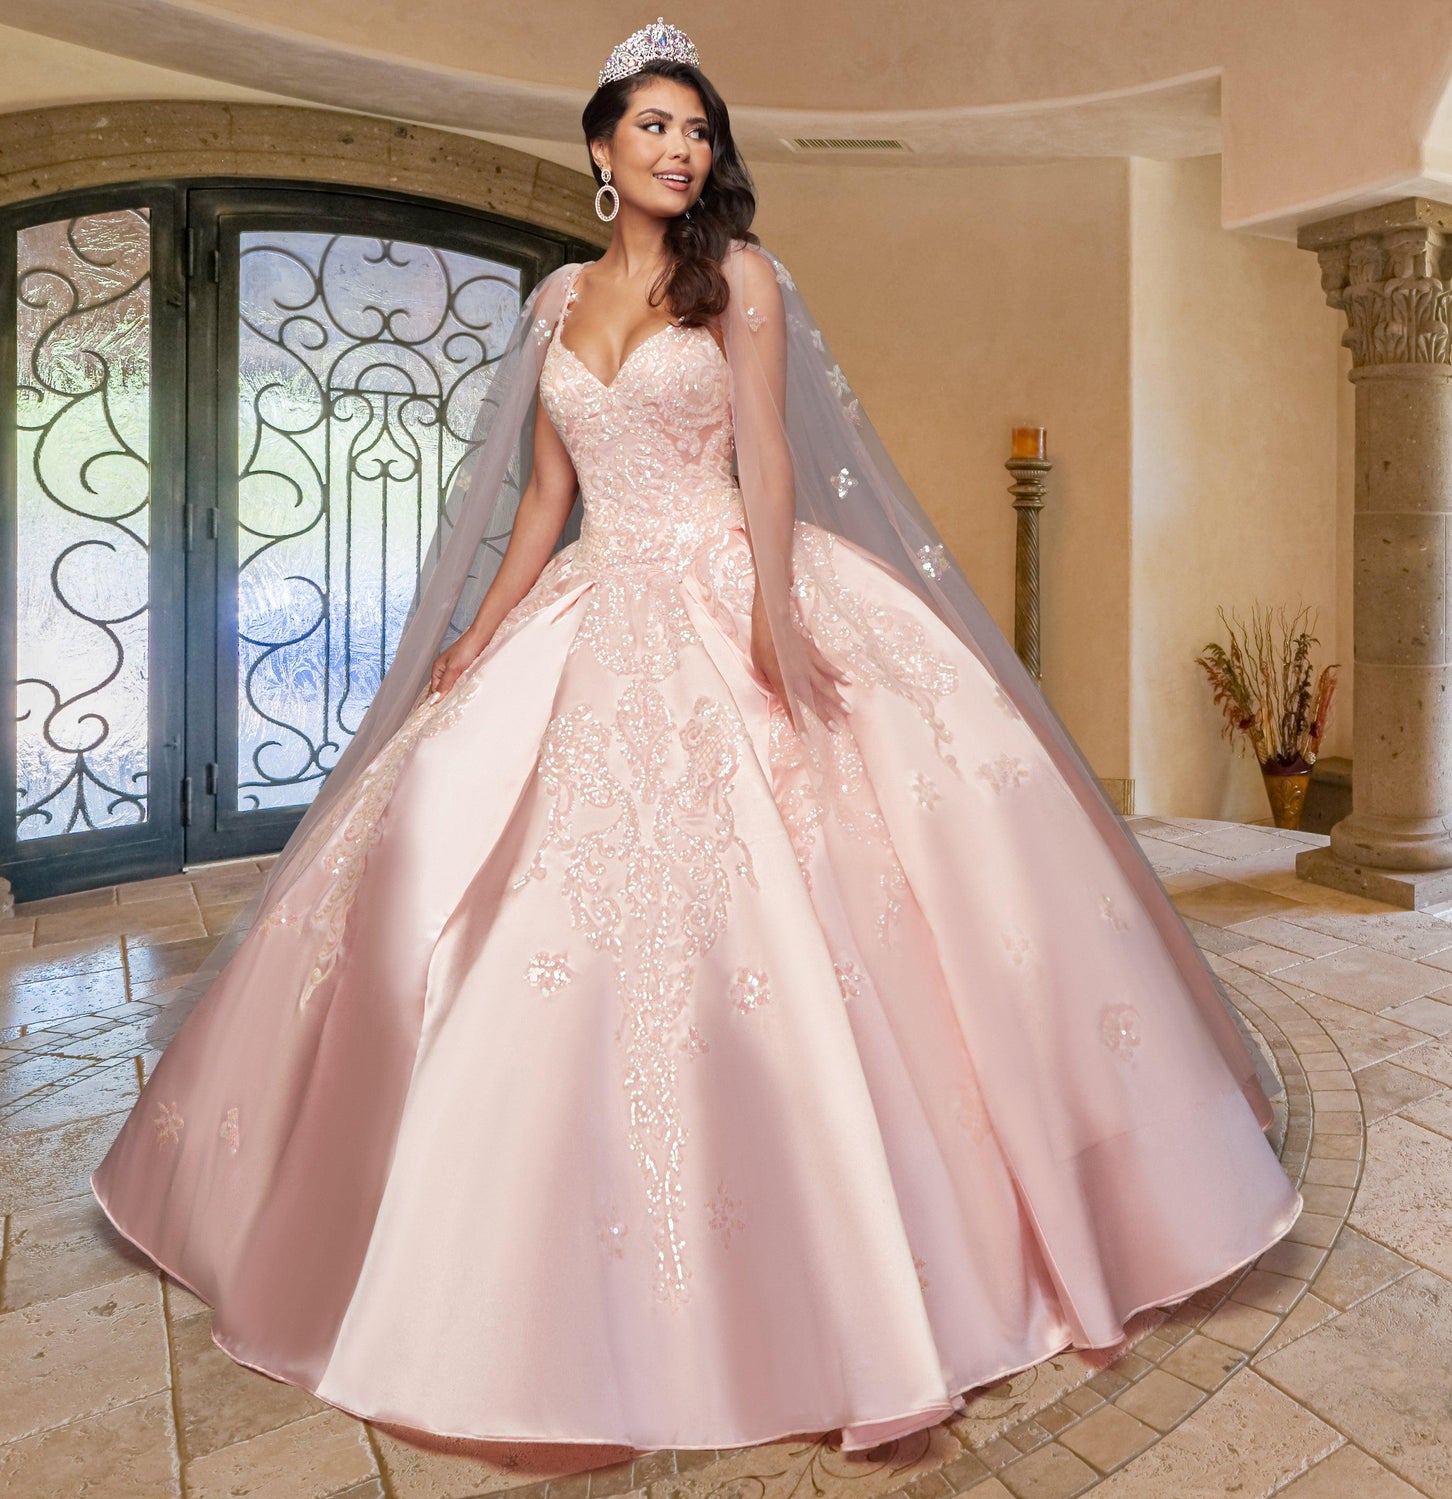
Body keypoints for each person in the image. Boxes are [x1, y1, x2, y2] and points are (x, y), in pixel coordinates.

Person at [90, 17, 1303, 1457]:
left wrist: (779, 624)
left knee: (807, 901)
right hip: (595, 602)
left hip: (727, 576)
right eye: (654, 125)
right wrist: (476, 644)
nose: (680, 147)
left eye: (697, 128)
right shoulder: (550, 305)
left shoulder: (742, 281)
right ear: (601, 148)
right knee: (456, 862)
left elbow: (772, 465)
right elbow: (546, 501)